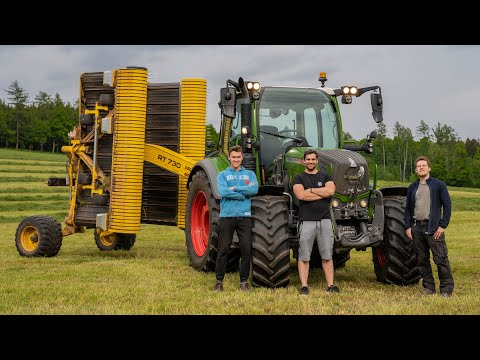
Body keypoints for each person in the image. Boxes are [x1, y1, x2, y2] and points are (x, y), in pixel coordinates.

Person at [405, 155, 454, 298]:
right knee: (422, 259)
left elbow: (447, 206)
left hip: (433, 228)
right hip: (417, 228)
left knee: (440, 258)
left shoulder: (439, 185)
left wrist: (442, 225)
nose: (421, 168)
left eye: (423, 165)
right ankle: (428, 287)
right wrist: (408, 226)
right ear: (416, 170)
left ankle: (446, 289)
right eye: (419, 166)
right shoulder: (412, 187)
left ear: (429, 168)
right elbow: (408, 209)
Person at [292, 149, 338, 295]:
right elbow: (301, 195)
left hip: (325, 220)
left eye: (313, 159)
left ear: (317, 161)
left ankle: (330, 285)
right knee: (304, 255)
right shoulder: (298, 177)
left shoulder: (325, 176)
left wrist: (310, 190)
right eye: (308, 159)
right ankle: (304, 286)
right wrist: (321, 193)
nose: (310, 162)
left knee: (327, 254)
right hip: (306, 221)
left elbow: (330, 191)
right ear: (303, 161)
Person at [214, 145, 259, 292]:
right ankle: (219, 281)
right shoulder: (222, 175)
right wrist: (243, 194)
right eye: (233, 157)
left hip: (244, 216)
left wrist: (235, 189)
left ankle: (244, 282)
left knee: (246, 249)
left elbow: (254, 189)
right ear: (229, 158)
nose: (236, 160)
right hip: (227, 216)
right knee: (223, 249)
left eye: (238, 157)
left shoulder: (250, 174)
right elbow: (223, 192)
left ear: (242, 158)